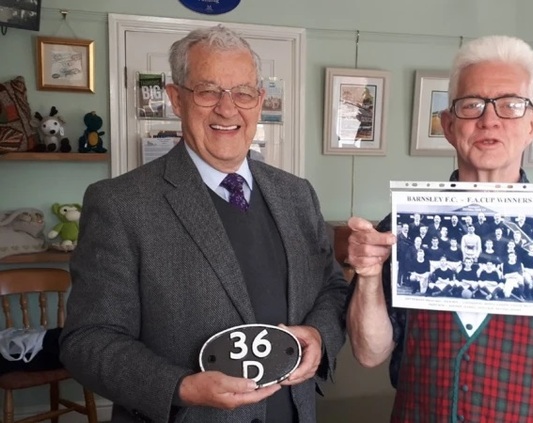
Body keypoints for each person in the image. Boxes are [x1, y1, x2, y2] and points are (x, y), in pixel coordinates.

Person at [59, 25, 348, 423]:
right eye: (208, 91)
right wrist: (179, 386)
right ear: (176, 98)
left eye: (243, 92)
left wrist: (317, 336)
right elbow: (88, 340)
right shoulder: (120, 204)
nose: (227, 109)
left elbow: (332, 290)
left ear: (260, 101)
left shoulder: (297, 195)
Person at [345, 35, 533, 421]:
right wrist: (368, 277)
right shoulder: (405, 226)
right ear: (449, 126)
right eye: (472, 105)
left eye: (510, 105)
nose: (489, 119)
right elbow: (369, 354)